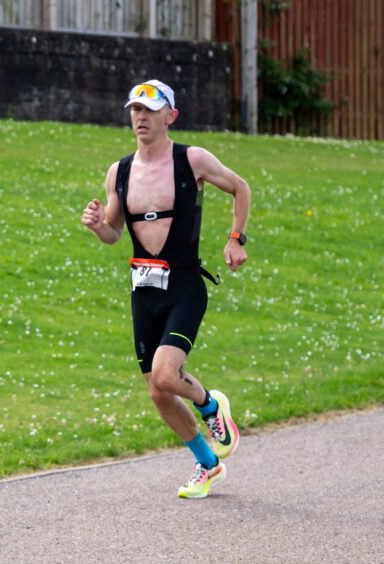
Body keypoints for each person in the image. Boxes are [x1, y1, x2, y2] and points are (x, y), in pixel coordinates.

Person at [81, 80, 251, 499]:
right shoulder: (119, 171)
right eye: (135, 110)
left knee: (165, 373)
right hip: (144, 291)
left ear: (170, 116)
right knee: (158, 393)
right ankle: (207, 464)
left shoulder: (191, 160)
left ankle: (212, 407)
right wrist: (98, 225)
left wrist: (235, 238)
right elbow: (115, 233)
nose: (140, 117)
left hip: (185, 285)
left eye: (150, 110)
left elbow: (240, 187)